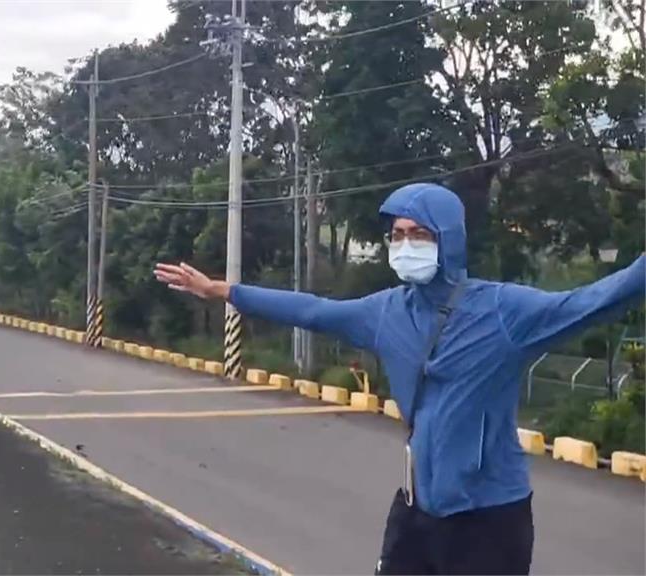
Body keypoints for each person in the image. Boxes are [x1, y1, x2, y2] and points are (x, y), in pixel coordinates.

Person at [154, 183, 646, 575]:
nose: (405, 244)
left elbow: (594, 300)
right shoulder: (386, 312)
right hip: (416, 514)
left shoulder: (504, 311)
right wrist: (226, 291)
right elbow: (313, 310)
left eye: (419, 234)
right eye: (398, 234)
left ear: (448, 240)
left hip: (489, 522)